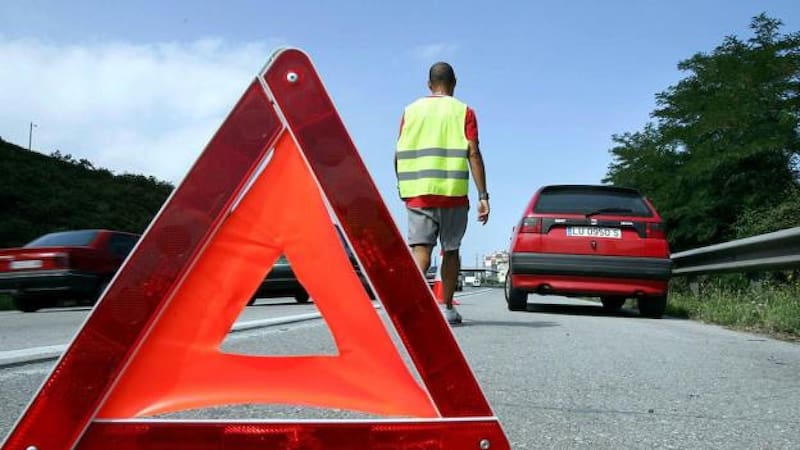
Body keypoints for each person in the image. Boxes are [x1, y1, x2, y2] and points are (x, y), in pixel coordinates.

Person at [395, 61, 489, 325]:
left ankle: (408, 306)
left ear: (428, 85)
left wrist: (402, 187)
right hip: (452, 192)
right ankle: (447, 308)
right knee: (451, 250)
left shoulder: (410, 111)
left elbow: (399, 151)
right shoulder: (464, 112)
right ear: (454, 83)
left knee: (420, 251)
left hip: (417, 191)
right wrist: (483, 196)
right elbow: (474, 152)